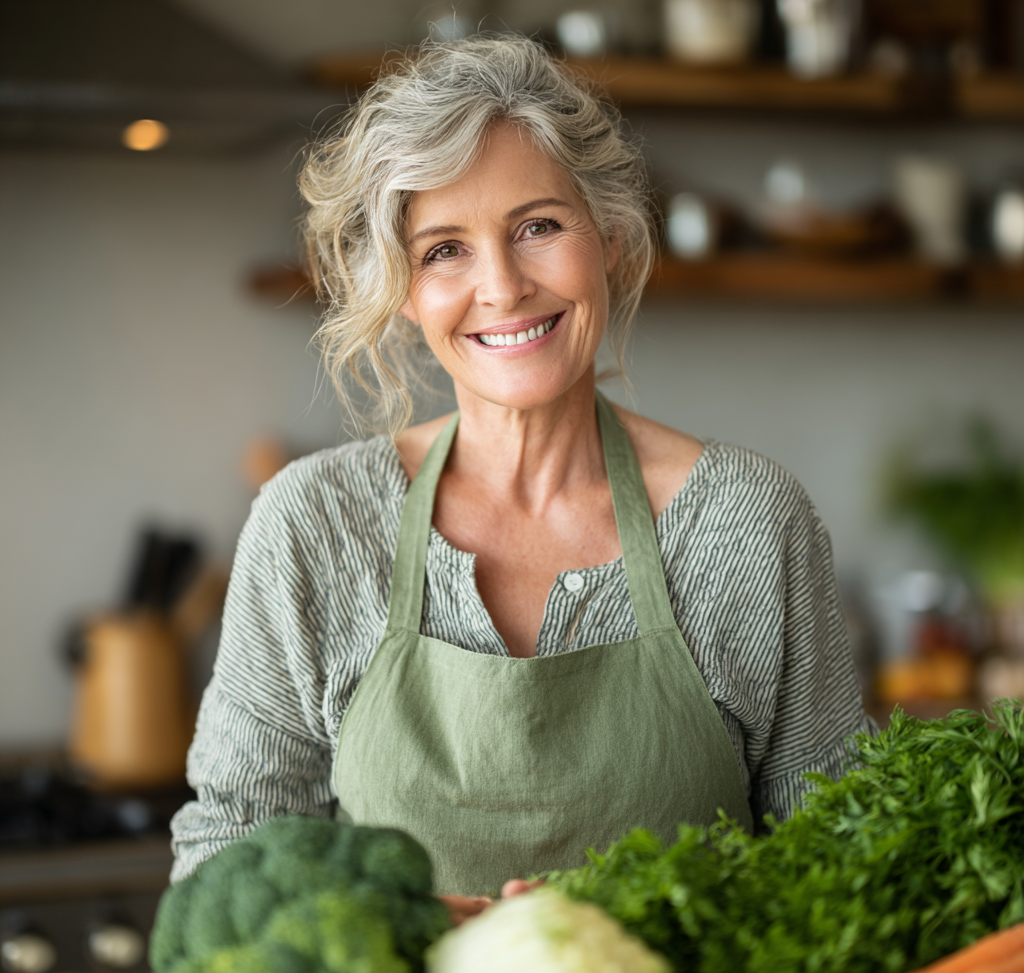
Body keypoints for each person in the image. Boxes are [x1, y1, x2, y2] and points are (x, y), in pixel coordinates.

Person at [170, 35, 870, 909]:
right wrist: (407, 934)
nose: (501, 287)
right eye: (444, 251)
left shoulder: (748, 524)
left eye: (538, 227)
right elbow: (232, 846)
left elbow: (838, 863)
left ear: (609, 238)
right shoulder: (315, 523)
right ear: (404, 288)